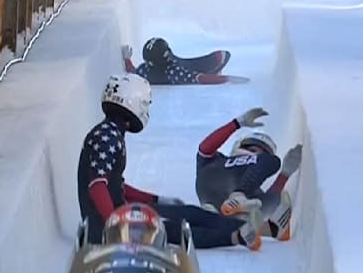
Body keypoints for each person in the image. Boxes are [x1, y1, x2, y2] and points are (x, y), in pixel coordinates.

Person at [78, 72, 266, 250]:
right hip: (109, 224)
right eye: (144, 103)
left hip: (117, 215)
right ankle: (238, 236)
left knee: (192, 213)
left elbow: (114, 184)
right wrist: (114, 225)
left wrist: (155, 199)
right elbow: (97, 186)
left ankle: (254, 228)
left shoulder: (108, 133)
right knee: (174, 229)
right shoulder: (107, 137)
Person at [194, 107, 301, 241]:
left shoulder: (254, 189)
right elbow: (205, 148)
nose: (256, 153)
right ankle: (238, 198)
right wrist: (237, 123)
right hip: (214, 179)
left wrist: (285, 173)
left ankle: (218, 218)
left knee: (266, 202)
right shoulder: (218, 160)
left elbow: (271, 199)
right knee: (273, 163)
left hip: (219, 202)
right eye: (251, 148)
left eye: (261, 151)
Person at [121, 38, 236, 85]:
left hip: (184, 64)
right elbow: (201, 78)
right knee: (220, 56)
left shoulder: (144, 70)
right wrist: (228, 79)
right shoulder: (173, 72)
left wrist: (127, 59)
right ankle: (214, 68)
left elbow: (133, 72)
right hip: (196, 67)